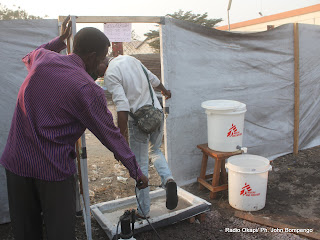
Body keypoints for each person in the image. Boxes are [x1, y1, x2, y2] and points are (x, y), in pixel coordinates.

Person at [0, 16, 148, 240]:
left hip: (16, 163)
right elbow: (112, 137)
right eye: (102, 59)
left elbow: (29, 55)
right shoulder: (87, 89)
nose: (103, 66)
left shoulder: (43, 58)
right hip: (53, 171)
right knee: (60, 233)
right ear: (91, 57)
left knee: (25, 232)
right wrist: (136, 171)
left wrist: (59, 41)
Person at [101, 55, 178, 219]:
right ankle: (168, 179)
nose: (99, 74)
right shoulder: (131, 60)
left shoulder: (110, 74)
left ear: (103, 61)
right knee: (155, 150)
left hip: (138, 123)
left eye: (98, 70)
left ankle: (143, 211)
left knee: (140, 165)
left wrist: (120, 143)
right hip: (156, 113)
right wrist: (165, 91)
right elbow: (154, 80)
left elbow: (122, 109)